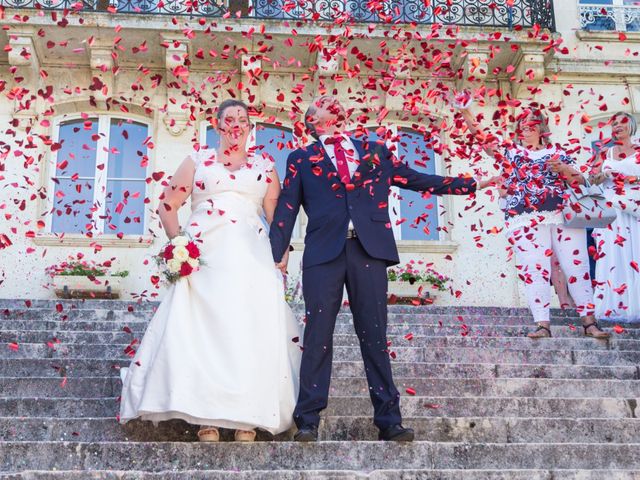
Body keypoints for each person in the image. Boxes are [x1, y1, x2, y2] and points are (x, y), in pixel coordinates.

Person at [269, 95, 495, 443]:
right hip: (323, 255)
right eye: (325, 105)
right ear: (312, 121)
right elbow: (287, 207)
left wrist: (473, 184)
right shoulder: (301, 158)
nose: (334, 105)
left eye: (336, 103)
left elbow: (415, 180)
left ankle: (389, 421)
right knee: (317, 337)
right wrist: (275, 255)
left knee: (374, 336)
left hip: (368, 251)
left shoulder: (373, 150)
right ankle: (308, 420)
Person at [119, 99, 301, 442]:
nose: (236, 124)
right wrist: (179, 246)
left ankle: (248, 416)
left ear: (249, 127)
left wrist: (284, 251)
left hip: (252, 254)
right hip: (206, 252)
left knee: (249, 327)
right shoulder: (197, 161)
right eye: (229, 119)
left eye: (243, 119)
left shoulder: (265, 165)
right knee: (204, 329)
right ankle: (206, 416)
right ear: (217, 126)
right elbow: (168, 205)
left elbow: (276, 214)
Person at [457, 98, 609, 339]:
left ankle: (590, 323)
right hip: (525, 220)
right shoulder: (512, 152)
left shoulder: (559, 153)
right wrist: (465, 110)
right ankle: (542, 324)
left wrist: (563, 170)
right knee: (534, 268)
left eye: (531, 126)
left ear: (541, 130)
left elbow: (580, 181)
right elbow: (485, 142)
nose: (526, 131)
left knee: (576, 267)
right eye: (522, 127)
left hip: (563, 217)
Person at [590, 112, 640, 322]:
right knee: (612, 256)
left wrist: (628, 178)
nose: (618, 126)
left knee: (635, 255)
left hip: (635, 210)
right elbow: (592, 179)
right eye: (614, 123)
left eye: (622, 123)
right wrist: (606, 174)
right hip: (613, 212)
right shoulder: (605, 152)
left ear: (632, 126)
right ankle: (614, 306)